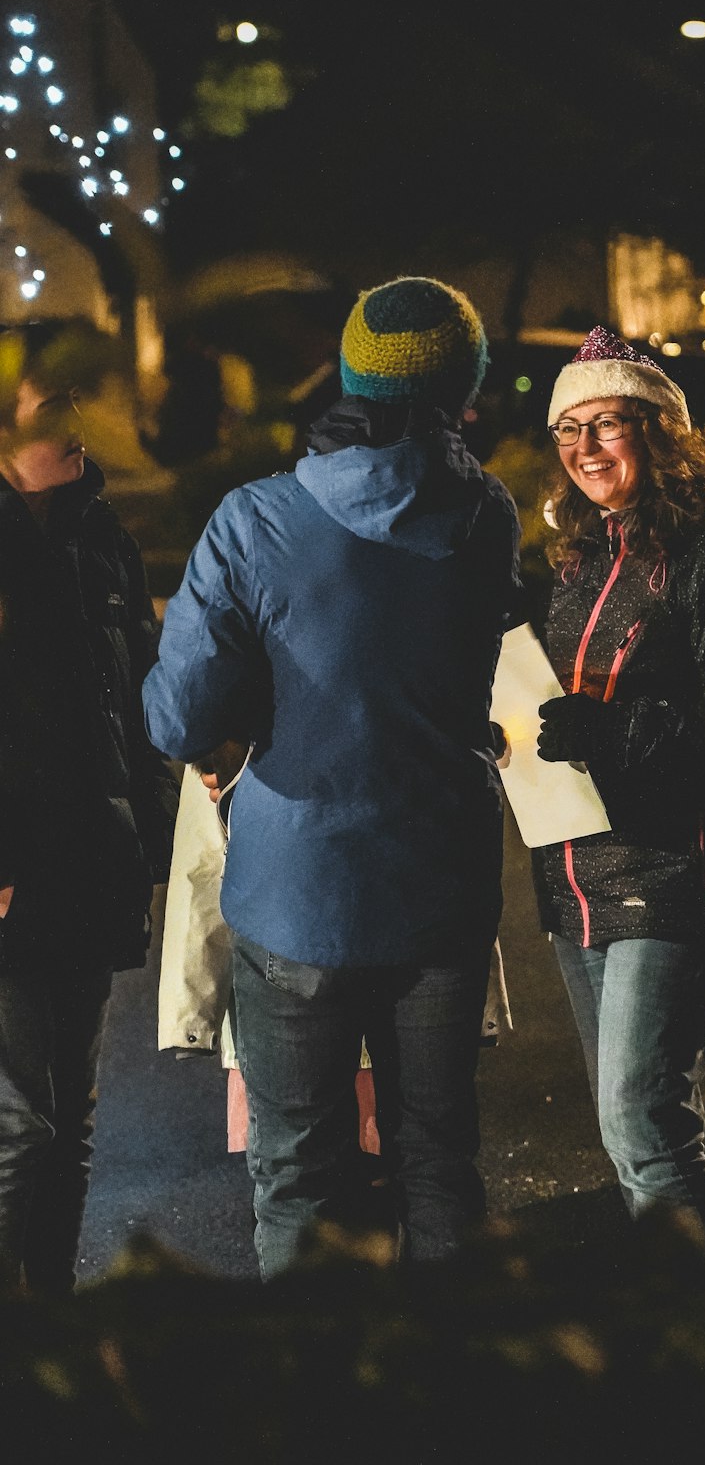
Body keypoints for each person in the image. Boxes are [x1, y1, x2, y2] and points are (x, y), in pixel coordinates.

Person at [142, 276, 521, 1280]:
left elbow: (176, 718)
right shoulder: (485, 515)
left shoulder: (251, 521)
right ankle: (449, 1397)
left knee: (300, 1173)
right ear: (462, 388)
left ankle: (317, 1413)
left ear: (346, 374)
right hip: (439, 880)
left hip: (298, 887)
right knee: (438, 1163)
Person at [531, 326, 705, 1269]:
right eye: (570, 430)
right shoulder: (575, 560)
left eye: (609, 425)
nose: (587, 449)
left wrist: (615, 732)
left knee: (646, 1125)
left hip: (675, 871)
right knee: (628, 1134)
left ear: (662, 433)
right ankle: (682, 1342)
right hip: (576, 876)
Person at [0, 320, 179, 1297]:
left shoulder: (106, 541)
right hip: (10, 878)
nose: (71, 425)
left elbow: (145, 698)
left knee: (69, 1126)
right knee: (18, 1125)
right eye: (48, 406)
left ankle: (51, 1315)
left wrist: (150, 836)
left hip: (93, 862)